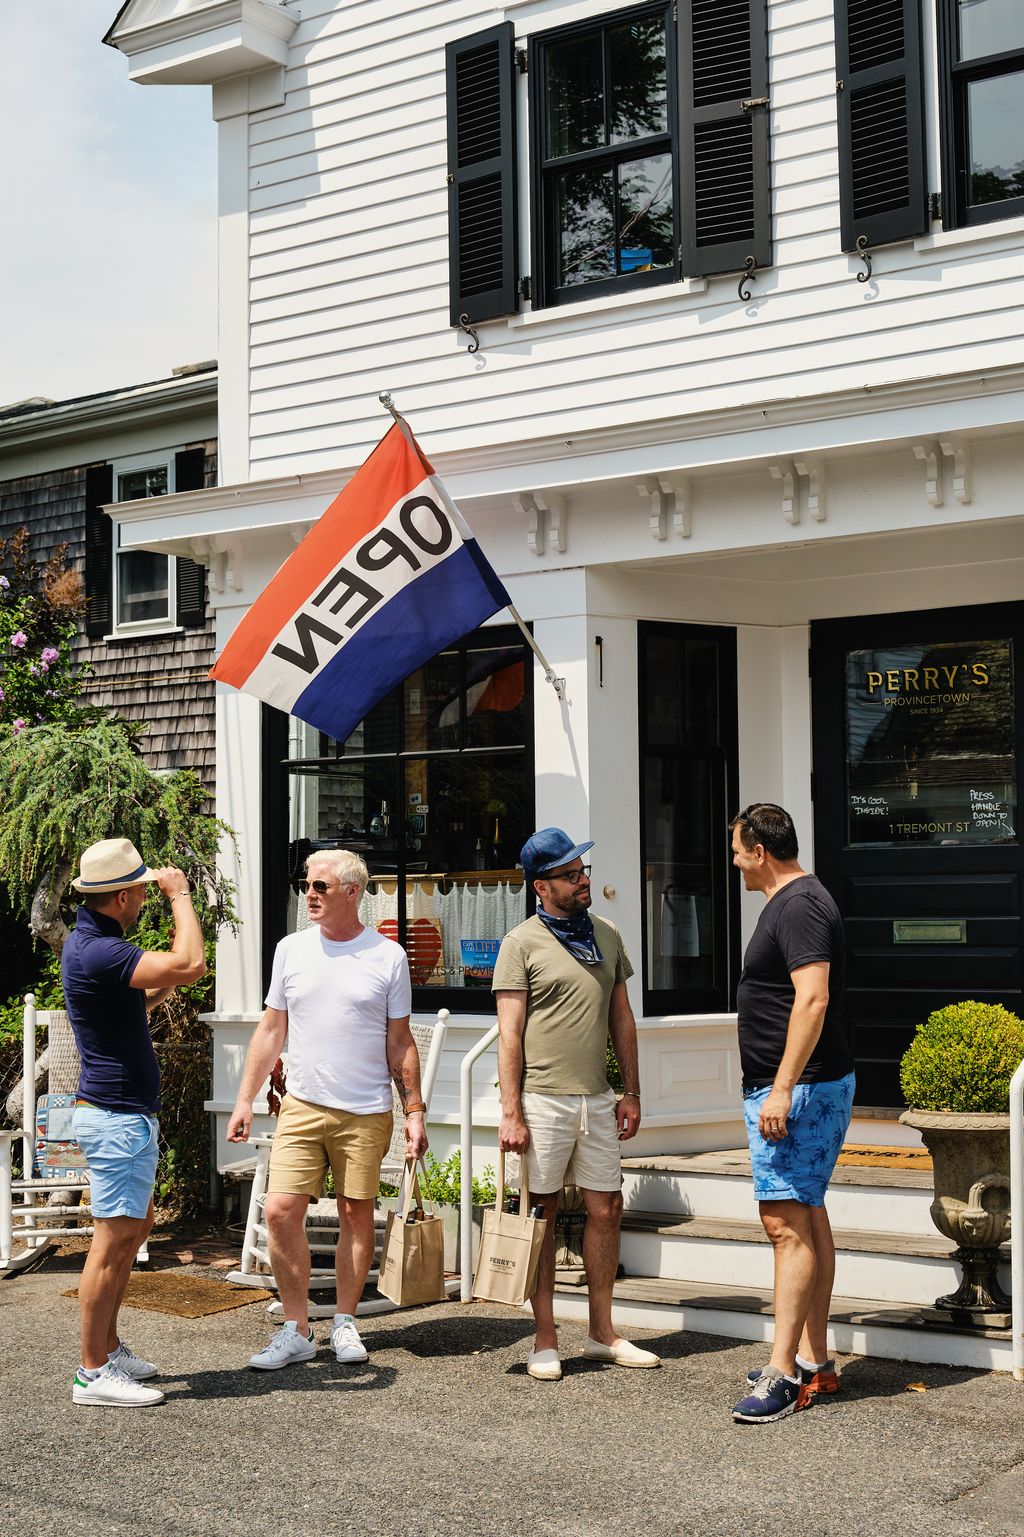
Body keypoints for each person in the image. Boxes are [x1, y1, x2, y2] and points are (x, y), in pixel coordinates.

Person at [227, 848, 428, 1370]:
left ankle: (343, 1322)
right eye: (306, 885)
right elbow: (272, 1029)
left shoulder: (387, 957)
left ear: (352, 892)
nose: (309, 894)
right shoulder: (291, 950)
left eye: (320, 886)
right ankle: (296, 1328)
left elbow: (401, 1042)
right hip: (301, 1105)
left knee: (354, 1214)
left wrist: (415, 1111)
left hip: (364, 1111)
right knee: (280, 1210)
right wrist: (244, 1099)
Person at [493, 827, 659, 1381]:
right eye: (569, 875)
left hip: (597, 1098)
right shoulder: (521, 943)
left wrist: (630, 1090)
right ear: (543, 887)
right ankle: (545, 1336)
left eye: (582, 870)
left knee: (606, 1209)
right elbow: (509, 1034)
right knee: (540, 1214)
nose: (582, 879)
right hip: (541, 1100)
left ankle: (601, 1333)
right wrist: (511, 1111)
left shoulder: (607, 935)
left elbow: (622, 1020)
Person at [62, 837, 206, 1408]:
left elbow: (130, 1003)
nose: (149, 894)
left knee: (133, 1231)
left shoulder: (94, 944)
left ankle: (110, 1349)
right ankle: (92, 1373)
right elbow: (192, 962)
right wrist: (182, 896)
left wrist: (162, 982)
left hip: (121, 1116)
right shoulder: (100, 950)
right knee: (112, 1242)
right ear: (121, 896)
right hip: (116, 1118)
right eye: (143, 889)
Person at [727, 804, 855, 1425]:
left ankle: (780, 1374)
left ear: (759, 850)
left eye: (736, 849)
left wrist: (780, 1088)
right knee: (805, 1213)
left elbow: (813, 997)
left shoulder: (799, 905)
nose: (733, 861)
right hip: (806, 1086)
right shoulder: (794, 901)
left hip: (798, 1091)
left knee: (784, 1225)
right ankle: (815, 1361)